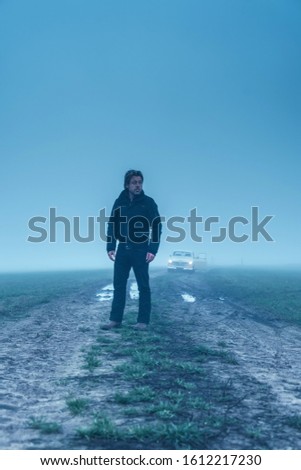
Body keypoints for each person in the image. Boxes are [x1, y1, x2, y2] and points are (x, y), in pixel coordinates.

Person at [102, 170, 162, 330]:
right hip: (122, 249)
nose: (138, 185)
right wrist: (110, 246)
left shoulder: (148, 202)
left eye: (140, 182)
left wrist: (153, 249)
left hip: (141, 249)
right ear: (127, 184)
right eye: (134, 182)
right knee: (119, 285)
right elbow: (112, 224)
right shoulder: (119, 201)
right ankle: (115, 320)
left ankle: (143, 321)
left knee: (143, 286)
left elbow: (157, 226)